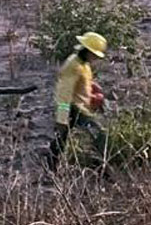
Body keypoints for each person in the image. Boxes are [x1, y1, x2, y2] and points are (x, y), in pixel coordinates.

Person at [47, 32, 110, 171]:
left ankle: (52, 167)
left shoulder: (83, 64)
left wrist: (92, 88)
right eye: (94, 55)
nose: (95, 58)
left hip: (80, 106)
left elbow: (83, 82)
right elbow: (64, 94)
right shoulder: (73, 66)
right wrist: (62, 119)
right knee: (99, 134)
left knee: (62, 140)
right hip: (73, 108)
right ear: (87, 51)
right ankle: (103, 168)